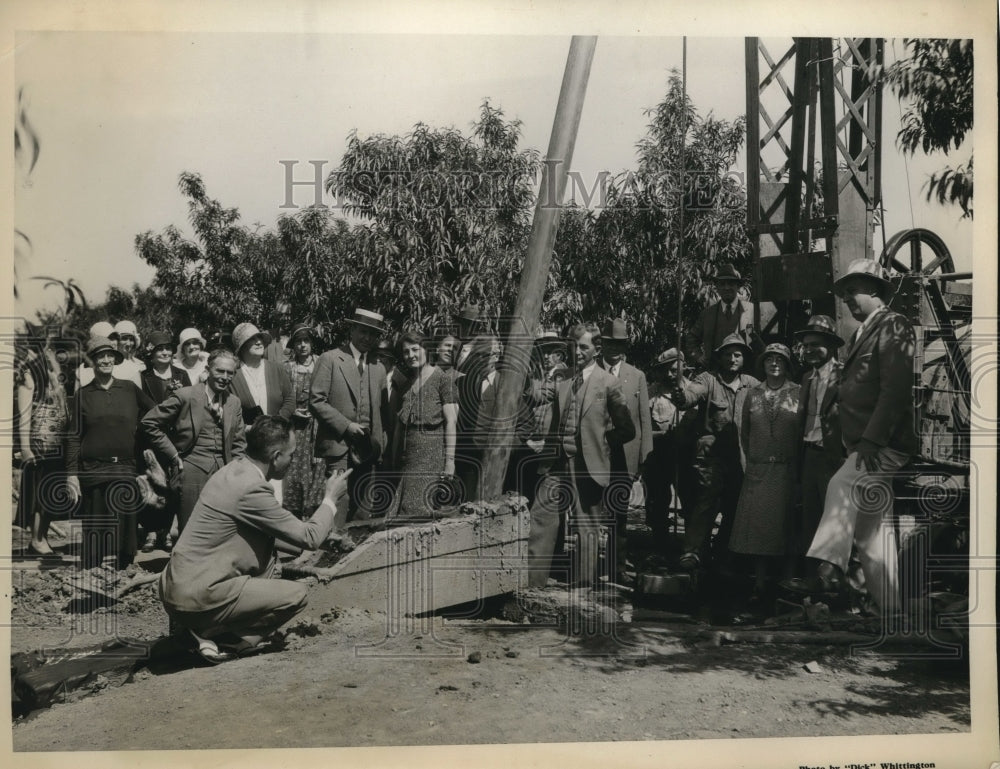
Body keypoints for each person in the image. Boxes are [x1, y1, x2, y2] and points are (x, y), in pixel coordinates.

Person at [158, 416, 352, 664]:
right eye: (291, 455)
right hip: (198, 596)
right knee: (296, 594)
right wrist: (330, 499)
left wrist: (327, 539)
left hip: (176, 589)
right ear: (275, 456)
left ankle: (197, 631)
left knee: (269, 568)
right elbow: (309, 537)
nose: (293, 461)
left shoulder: (232, 471)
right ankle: (226, 641)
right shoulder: (252, 489)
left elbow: (267, 533)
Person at [805, 259, 917, 615]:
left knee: (841, 485)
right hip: (865, 442)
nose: (848, 300)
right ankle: (891, 612)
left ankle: (828, 568)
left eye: (853, 291)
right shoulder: (862, 331)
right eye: (845, 294)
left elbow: (895, 391)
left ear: (874, 290)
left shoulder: (894, 325)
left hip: (883, 443)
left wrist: (871, 440)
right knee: (873, 533)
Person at [526, 323, 635, 587]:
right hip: (556, 462)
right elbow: (538, 394)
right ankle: (532, 582)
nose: (577, 352)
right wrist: (519, 376)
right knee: (541, 518)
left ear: (596, 349)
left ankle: (584, 586)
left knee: (586, 525)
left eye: (583, 347)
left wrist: (603, 444)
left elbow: (627, 429)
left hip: (589, 465)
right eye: (573, 346)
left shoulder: (608, 383)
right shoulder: (563, 377)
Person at [670, 333, 760, 573]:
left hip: (741, 457)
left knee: (735, 507)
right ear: (719, 357)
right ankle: (692, 552)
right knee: (705, 504)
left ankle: (723, 552)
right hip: (710, 456)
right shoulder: (707, 379)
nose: (732, 359)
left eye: (738, 354)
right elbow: (691, 395)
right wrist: (681, 395)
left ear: (744, 359)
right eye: (728, 354)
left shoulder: (752, 384)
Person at [66, 336, 156, 570]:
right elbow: (74, 437)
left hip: (125, 466)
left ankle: (123, 574)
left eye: (109, 356)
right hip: (93, 469)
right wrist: (71, 474)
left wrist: (145, 441)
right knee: (95, 529)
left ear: (115, 360)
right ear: (93, 361)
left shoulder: (129, 388)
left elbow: (156, 413)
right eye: (100, 356)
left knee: (125, 530)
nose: (105, 360)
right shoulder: (83, 395)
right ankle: (93, 574)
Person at [141, 349, 247, 538]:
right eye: (220, 371)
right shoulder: (186, 396)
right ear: (208, 370)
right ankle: (181, 566)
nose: (225, 377)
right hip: (191, 469)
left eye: (230, 373)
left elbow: (239, 441)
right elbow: (149, 423)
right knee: (190, 528)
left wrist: (236, 472)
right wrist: (172, 454)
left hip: (223, 472)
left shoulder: (234, 403)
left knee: (219, 527)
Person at [728, 343, 801, 600]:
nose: (774, 364)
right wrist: (751, 462)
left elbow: (802, 433)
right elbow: (744, 432)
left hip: (786, 469)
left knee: (787, 528)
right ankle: (758, 584)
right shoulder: (753, 393)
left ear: (787, 365)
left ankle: (788, 584)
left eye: (780, 360)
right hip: (759, 470)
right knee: (759, 529)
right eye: (769, 359)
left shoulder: (798, 393)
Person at [310, 308, 388, 527]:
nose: (367, 338)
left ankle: (356, 552)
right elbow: (316, 400)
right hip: (339, 444)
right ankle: (330, 550)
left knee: (363, 504)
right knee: (338, 499)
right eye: (363, 331)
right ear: (352, 329)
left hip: (368, 449)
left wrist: (379, 446)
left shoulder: (378, 367)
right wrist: (346, 426)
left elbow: (380, 412)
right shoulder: (331, 359)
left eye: (373, 334)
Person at [599, 318, 653, 580]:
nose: (613, 349)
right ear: (602, 344)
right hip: (595, 454)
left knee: (619, 515)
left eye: (619, 343)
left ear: (625, 346)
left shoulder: (637, 376)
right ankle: (587, 567)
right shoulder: (590, 371)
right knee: (591, 512)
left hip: (625, 456)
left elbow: (644, 419)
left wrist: (643, 457)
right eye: (609, 343)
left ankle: (617, 567)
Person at [792, 315, 845, 574]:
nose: (810, 350)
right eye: (806, 345)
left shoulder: (845, 375)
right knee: (809, 519)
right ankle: (812, 580)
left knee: (833, 520)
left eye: (817, 344)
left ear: (831, 346)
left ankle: (834, 579)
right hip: (809, 456)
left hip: (833, 458)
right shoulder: (806, 378)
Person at [386, 331, 459, 519]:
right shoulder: (407, 383)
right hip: (407, 458)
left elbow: (451, 421)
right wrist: (394, 459)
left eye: (415, 349)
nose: (410, 355)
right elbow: (400, 426)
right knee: (402, 510)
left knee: (419, 511)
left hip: (431, 456)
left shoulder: (442, 379)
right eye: (406, 352)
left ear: (426, 349)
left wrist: (449, 462)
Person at [16, 323, 71, 557]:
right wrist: (26, 448)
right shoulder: (27, 372)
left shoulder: (56, 371)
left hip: (57, 440)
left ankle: (40, 539)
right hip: (39, 442)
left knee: (51, 492)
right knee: (41, 492)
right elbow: (24, 413)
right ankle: (37, 540)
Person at [642, 348, 696, 540]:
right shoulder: (651, 394)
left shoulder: (695, 390)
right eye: (665, 370)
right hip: (659, 456)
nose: (670, 374)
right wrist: (663, 434)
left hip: (687, 457)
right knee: (658, 502)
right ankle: (659, 546)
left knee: (691, 502)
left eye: (675, 370)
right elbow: (643, 429)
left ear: (684, 368)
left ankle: (691, 549)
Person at [282, 323, 327, 519]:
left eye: (306, 341)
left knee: (316, 469)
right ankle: (291, 517)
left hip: (317, 427)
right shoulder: (286, 368)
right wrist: (292, 412)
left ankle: (313, 517)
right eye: (298, 341)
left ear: (312, 343)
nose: (302, 345)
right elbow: (282, 397)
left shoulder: (321, 364)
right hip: (294, 428)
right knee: (291, 470)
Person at [454, 333, 502, 502]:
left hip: (490, 459)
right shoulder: (463, 382)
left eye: (484, 355)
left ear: (496, 356)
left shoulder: (505, 385)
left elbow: (522, 423)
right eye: (476, 355)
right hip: (464, 455)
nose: (479, 360)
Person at [685, 263, 757, 371]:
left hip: (745, 372)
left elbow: (761, 342)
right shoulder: (707, 314)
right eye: (722, 284)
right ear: (717, 287)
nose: (726, 287)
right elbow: (691, 338)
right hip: (715, 372)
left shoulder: (751, 310)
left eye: (731, 283)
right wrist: (698, 356)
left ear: (737, 286)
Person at [230, 322, 295, 426]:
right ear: (242, 346)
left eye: (260, 338)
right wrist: (245, 428)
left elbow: (290, 399)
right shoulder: (233, 375)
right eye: (252, 339)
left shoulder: (277, 369)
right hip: (246, 438)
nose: (259, 342)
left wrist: (278, 420)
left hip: (277, 434)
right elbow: (228, 411)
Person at [452, 302, 481, 372]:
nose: (461, 327)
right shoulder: (451, 346)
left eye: (467, 324)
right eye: (460, 323)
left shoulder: (478, 354)